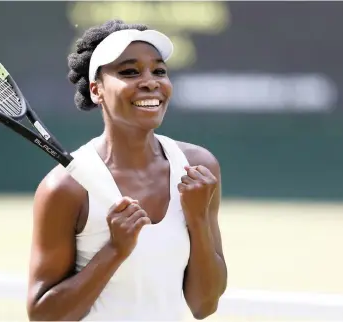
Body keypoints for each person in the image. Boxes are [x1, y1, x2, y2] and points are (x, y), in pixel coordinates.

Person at [26, 19, 227, 321]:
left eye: (159, 70)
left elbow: (204, 305)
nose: (150, 81)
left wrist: (197, 219)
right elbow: (44, 316)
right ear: (96, 90)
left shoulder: (199, 167)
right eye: (129, 72)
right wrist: (115, 250)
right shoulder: (65, 188)